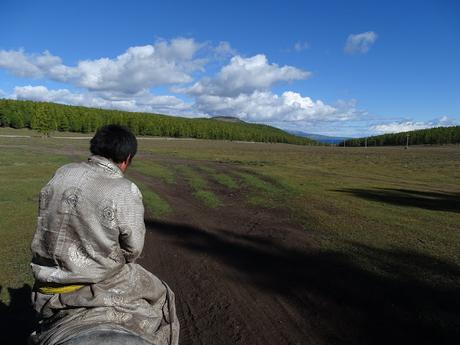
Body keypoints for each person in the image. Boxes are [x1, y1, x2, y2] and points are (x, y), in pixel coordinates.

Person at [29, 124, 179, 345]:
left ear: (95, 147)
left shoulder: (62, 172)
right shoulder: (124, 189)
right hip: (97, 278)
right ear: (127, 158)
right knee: (163, 296)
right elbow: (134, 248)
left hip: (45, 280)